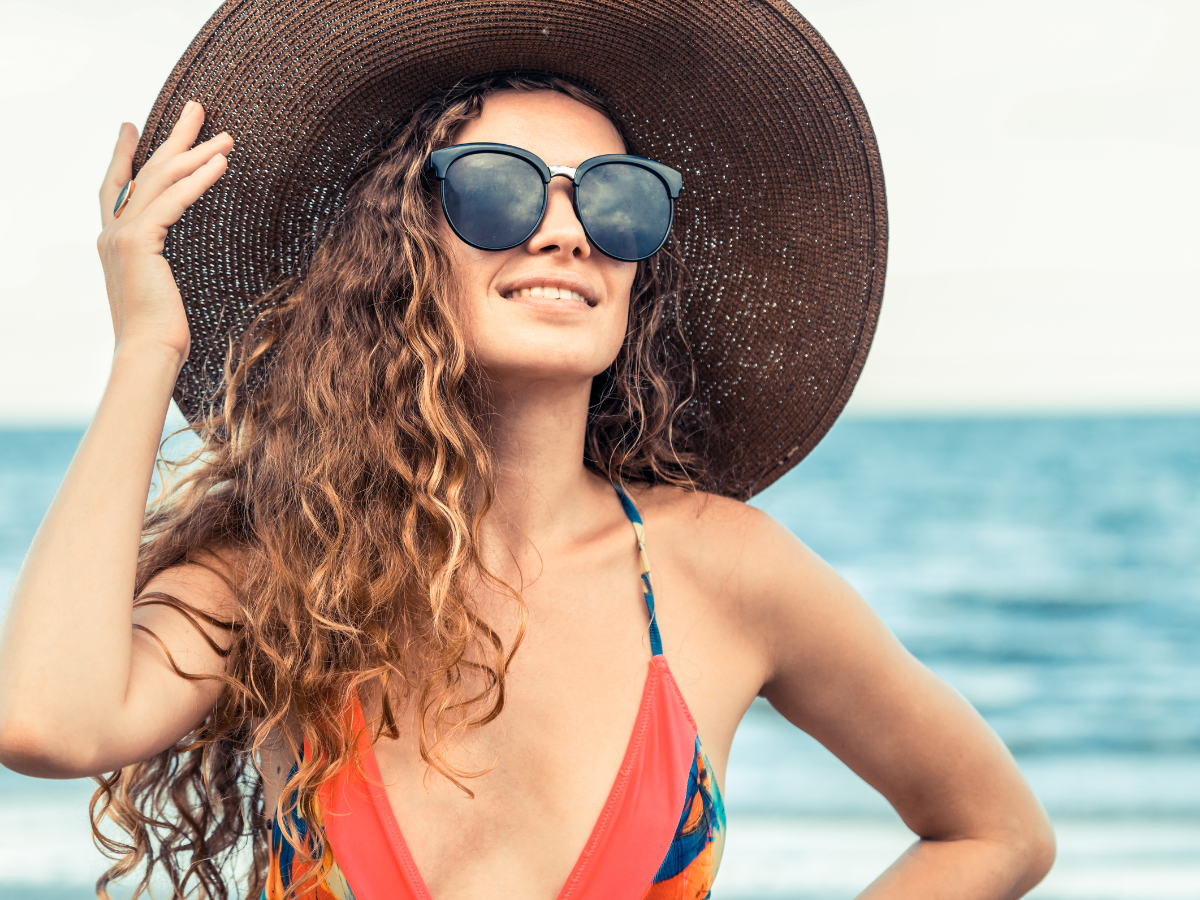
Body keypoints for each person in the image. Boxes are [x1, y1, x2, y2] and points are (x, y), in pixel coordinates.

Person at [0, 2, 1055, 899]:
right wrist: (148, 348)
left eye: (617, 197)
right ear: (402, 244)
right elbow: (47, 723)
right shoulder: (282, 568)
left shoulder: (723, 569)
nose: (567, 232)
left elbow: (997, 831)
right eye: (499, 188)